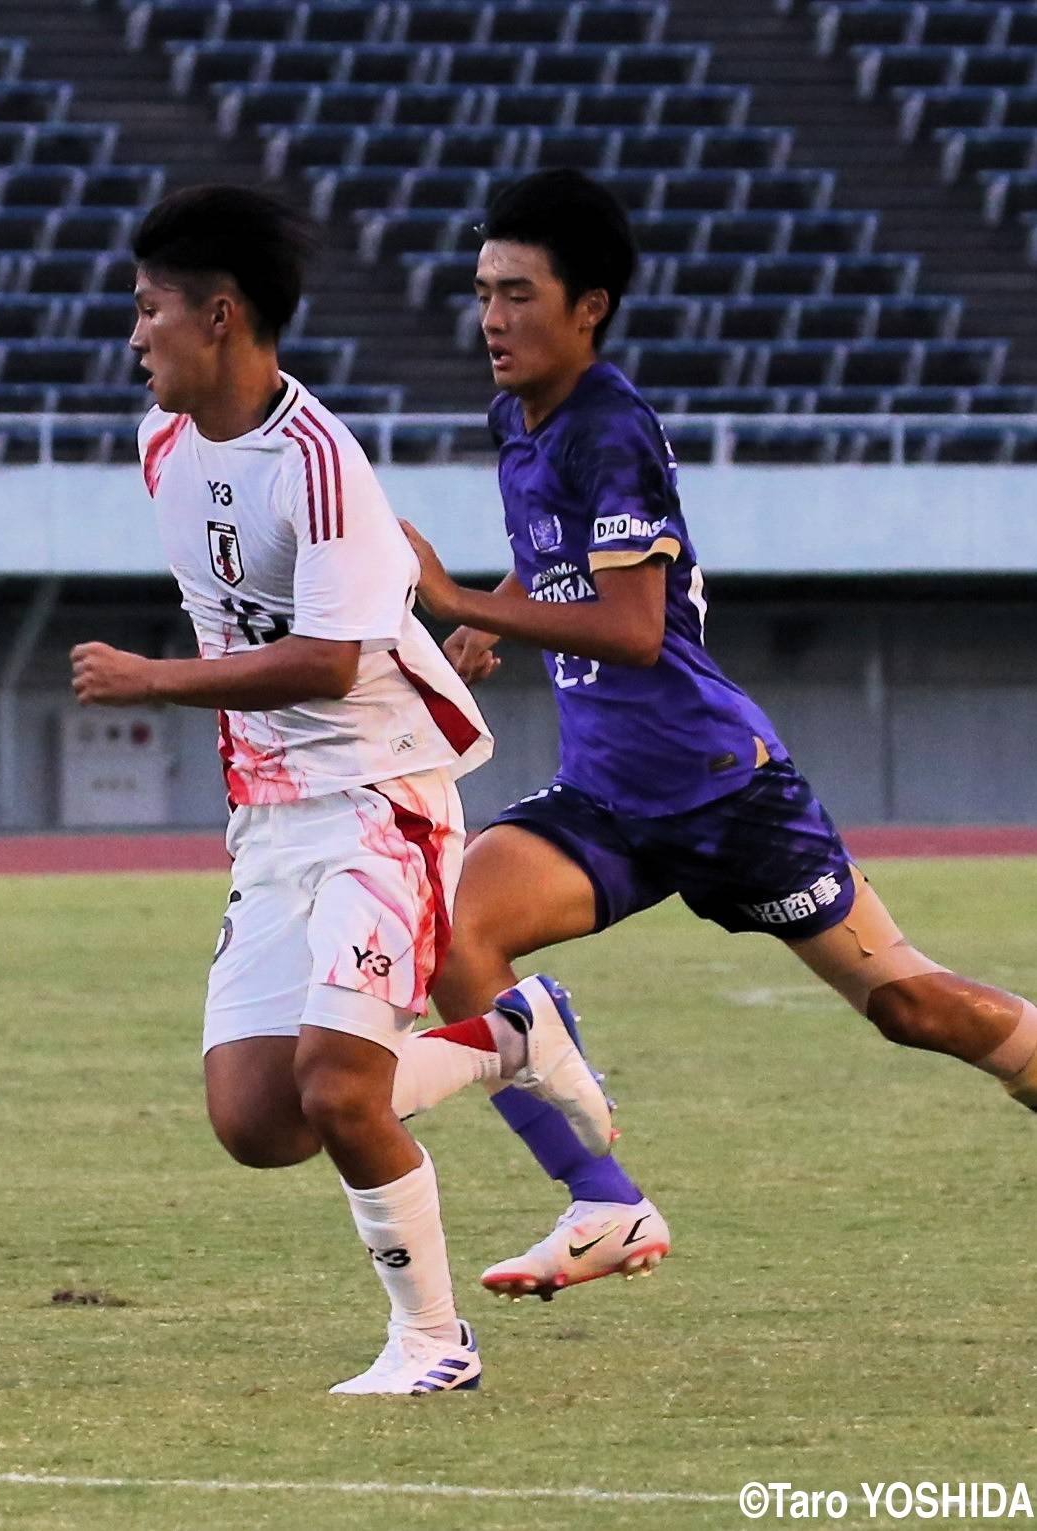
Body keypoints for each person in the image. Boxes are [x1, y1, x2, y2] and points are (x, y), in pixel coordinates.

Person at [391, 167, 1037, 1301]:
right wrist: (495, 619)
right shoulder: (518, 418)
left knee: (906, 1007)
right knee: (450, 937)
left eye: (517, 295)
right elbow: (560, 555)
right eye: (482, 292)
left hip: (720, 793)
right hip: (607, 800)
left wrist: (457, 602)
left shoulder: (610, 426)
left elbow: (634, 629)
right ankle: (603, 1201)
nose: (489, 319)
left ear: (586, 307)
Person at [68, 184, 615, 1394]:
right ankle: (511, 1036)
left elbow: (324, 658)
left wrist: (154, 679)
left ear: (218, 317)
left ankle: (431, 1343)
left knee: (336, 1083)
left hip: (382, 797)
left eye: (147, 309)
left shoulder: (318, 465)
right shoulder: (163, 441)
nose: (131, 334)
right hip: (268, 815)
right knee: (256, 1119)